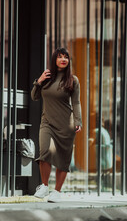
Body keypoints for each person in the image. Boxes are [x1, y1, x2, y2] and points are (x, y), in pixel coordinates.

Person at [31, 47, 82, 202]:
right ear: (54, 60)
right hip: (47, 122)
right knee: (45, 151)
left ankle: (57, 192)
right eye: (60, 57)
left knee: (63, 159)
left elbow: (76, 102)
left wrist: (78, 121)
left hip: (66, 125)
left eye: (66, 57)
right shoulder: (47, 77)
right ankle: (44, 186)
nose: (63, 59)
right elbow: (34, 96)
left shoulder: (73, 80)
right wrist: (38, 81)